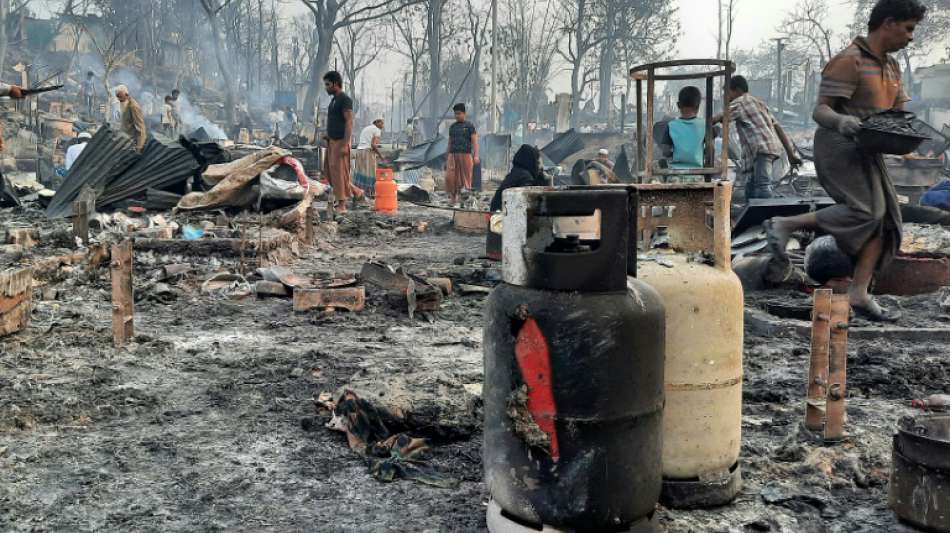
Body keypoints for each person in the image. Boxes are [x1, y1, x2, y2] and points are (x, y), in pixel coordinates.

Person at [765, 0, 927, 322]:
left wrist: (910, 144)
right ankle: (786, 223)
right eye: (908, 28)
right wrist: (842, 122)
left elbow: (897, 117)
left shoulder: (892, 67)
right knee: (867, 211)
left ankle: (859, 292)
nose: (911, 37)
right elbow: (820, 110)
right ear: (888, 23)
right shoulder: (848, 61)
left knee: (886, 221)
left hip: (869, 149)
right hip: (839, 143)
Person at [715, 76, 802, 199]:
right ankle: (752, 214)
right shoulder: (760, 103)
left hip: (761, 149)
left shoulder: (740, 101)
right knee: (750, 189)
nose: (726, 97)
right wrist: (790, 154)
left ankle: (771, 213)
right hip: (767, 149)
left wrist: (705, 123)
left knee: (763, 187)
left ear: (737, 90)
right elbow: (778, 129)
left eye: (727, 93)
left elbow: (720, 117)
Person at [322, 71, 363, 213]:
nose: (326, 87)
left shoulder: (345, 99)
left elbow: (349, 122)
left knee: (339, 173)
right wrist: (328, 135)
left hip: (341, 141)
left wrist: (346, 144)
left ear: (335, 84)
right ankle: (356, 191)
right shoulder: (333, 100)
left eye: (327, 84)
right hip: (332, 141)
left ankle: (342, 205)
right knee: (329, 171)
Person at [660, 87, 708, 178]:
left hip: (675, 176)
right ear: (698, 106)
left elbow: (665, 151)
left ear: (678, 105)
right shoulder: (704, 125)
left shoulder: (671, 125)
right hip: (698, 177)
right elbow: (710, 149)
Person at [490, 144, 547, 212]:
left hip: (497, 213)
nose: (539, 167)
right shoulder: (525, 177)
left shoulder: (516, 172)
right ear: (531, 161)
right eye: (537, 163)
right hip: (504, 216)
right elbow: (528, 204)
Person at [446, 103, 478, 206]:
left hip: (466, 154)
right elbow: (449, 142)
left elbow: (474, 142)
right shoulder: (452, 127)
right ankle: (453, 198)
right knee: (450, 177)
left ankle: (465, 200)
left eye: (459, 113)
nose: (457, 116)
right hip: (453, 154)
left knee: (466, 178)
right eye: (455, 114)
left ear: (464, 113)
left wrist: (476, 155)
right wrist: (448, 156)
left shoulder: (469, 126)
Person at [355, 119, 385, 194]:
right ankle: (370, 192)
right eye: (382, 123)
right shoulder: (377, 130)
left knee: (361, 172)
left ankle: (358, 191)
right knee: (370, 172)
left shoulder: (367, 128)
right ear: (377, 123)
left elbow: (368, 141)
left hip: (359, 151)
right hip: (367, 152)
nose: (383, 126)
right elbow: (373, 145)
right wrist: (381, 155)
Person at [115, 85, 147, 152]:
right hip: (123, 141)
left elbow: (141, 129)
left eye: (120, 97)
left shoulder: (133, 107)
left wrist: (139, 147)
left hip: (130, 144)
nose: (119, 99)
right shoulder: (124, 104)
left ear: (126, 95)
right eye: (117, 97)